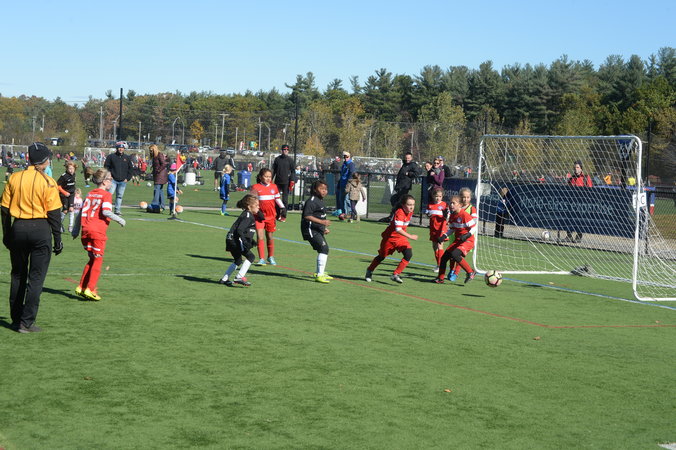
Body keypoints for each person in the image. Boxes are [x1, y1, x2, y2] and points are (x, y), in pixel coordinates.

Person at [1, 142, 63, 333]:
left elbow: (4, 209)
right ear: (44, 161)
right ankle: (26, 322)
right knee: (36, 278)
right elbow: (54, 214)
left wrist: (7, 234)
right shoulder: (48, 182)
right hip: (40, 230)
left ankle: (15, 319)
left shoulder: (14, 178)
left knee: (17, 275)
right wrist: (58, 239)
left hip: (18, 228)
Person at [71, 169, 126, 301]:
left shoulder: (89, 194)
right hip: (97, 231)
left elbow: (80, 213)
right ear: (104, 181)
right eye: (110, 179)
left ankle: (81, 287)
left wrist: (75, 230)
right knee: (98, 259)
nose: (111, 182)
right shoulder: (106, 195)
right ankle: (90, 289)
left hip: (85, 230)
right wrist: (120, 219)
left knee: (92, 259)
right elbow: (106, 211)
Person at [365, 194, 418, 284]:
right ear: (403, 205)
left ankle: (396, 274)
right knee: (382, 256)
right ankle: (370, 270)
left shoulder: (410, 212)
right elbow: (398, 229)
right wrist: (410, 236)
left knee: (408, 254)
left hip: (400, 238)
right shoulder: (399, 212)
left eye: (413, 204)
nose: (411, 207)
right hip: (389, 238)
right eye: (409, 205)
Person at [434, 194, 476, 284]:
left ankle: (470, 272)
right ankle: (440, 278)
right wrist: (444, 236)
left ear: (460, 205)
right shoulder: (453, 216)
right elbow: (452, 229)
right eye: (450, 203)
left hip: (468, 241)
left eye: (454, 203)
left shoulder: (464, 215)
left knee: (455, 254)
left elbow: (474, 227)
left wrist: (467, 235)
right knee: (444, 258)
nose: (451, 205)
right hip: (458, 240)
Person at [220, 194, 259, 287]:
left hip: (230, 238)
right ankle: (239, 277)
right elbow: (240, 230)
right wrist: (245, 241)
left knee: (238, 260)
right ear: (249, 206)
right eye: (257, 205)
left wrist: (251, 240)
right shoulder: (248, 215)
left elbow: (243, 230)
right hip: (235, 240)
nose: (258, 207)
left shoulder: (246, 214)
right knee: (251, 257)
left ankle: (224, 279)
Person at [250, 168, 285, 266]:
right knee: (260, 236)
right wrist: (257, 211)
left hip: (271, 217)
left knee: (269, 236)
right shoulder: (255, 187)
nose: (268, 178)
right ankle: (261, 258)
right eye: (266, 176)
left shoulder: (274, 187)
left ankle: (270, 256)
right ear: (261, 177)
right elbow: (251, 201)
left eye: (270, 176)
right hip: (259, 217)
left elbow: (277, 199)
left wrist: (283, 208)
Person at [301, 180, 333, 283]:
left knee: (323, 249)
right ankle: (319, 275)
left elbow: (319, 215)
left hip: (317, 229)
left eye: (326, 189)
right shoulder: (311, 201)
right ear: (315, 190)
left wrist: (323, 228)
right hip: (310, 229)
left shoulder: (320, 200)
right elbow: (307, 216)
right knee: (324, 248)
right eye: (321, 189)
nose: (324, 191)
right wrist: (322, 222)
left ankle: (319, 272)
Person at [449, 187, 478, 281]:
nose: (465, 199)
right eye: (463, 197)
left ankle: (456, 273)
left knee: (458, 255)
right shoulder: (455, 206)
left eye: (467, 197)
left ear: (470, 198)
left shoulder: (472, 209)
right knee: (451, 255)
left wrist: (467, 233)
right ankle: (451, 270)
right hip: (455, 235)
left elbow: (474, 223)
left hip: (467, 237)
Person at [103, 141, 133, 215]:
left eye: (122, 148)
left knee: (119, 196)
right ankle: (107, 209)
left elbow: (130, 169)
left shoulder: (127, 158)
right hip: (113, 180)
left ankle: (117, 210)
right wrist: (109, 175)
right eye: (119, 147)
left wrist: (128, 178)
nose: (121, 149)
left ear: (124, 149)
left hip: (123, 181)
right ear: (116, 148)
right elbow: (106, 167)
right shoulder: (111, 157)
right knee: (109, 195)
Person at [566, 160, 592, 243]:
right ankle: (569, 236)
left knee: (580, 220)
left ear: (581, 168)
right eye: (575, 167)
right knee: (569, 218)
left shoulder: (586, 177)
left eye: (577, 167)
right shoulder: (571, 178)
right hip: (572, 203)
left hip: (582, 203)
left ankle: (579, 236)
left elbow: (590, 190)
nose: (576, 169)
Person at [425, 187, 448, 272]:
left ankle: (441, 266)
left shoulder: (444, 205)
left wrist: (446, 216)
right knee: (434, 247)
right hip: (433, 228)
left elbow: (447, 217)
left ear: (442, 196)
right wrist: (428, 215)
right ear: (433, 196)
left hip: (441, 228)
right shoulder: (430, 205)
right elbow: (427, 214)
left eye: (440, 196)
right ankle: (438, 264)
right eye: (436, 196)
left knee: (439, 245)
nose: (438, 198)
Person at [272, 144, 296, 222]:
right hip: (277, 182)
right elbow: (274, 171)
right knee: (276, 199)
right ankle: (277, 214)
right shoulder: (277, 159)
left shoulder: (290, 160)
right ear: (281, 150)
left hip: (286, 182)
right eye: (284, 149)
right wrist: (270, 180)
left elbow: (293, 172)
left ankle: (283, 216)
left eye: (287, 150)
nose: (285, 151)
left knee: (285, 200)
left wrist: (292, 180)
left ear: (288, 151)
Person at [57, 160, 77, 232]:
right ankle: (58, 224)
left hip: (71, 194)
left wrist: (74, 191)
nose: (71, 170)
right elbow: (58, 186)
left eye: (72, 168)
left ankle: (70, 226)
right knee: (65, 211)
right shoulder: (63, 176)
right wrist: (64, 192)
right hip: (64, 195)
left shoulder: (74, 174)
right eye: (69, 169)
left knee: (71, 209)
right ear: (67, 168)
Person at [334, 151, 355, 216]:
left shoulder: (351, 164)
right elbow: (342, 175)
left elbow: (351, 173)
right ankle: (343, 213)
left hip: (347, 184)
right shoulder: (344, 164)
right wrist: (339, 183)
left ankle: (349, 214)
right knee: (341, 199)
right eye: (344, 157)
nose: (345, 158)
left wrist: (348, 183)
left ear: (349, 157)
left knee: (347, 199)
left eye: (347, 157)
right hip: (342, 184)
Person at [149, 144, 168, 211]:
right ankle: (162, 205)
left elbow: (164, 164)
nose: (151, 152)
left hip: (160, 175)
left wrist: (158, 170)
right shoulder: (154, 156)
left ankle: (155, 204)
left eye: (152, 150)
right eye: (150, 150)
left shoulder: (159, 154)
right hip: (157, 174)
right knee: (160, 190)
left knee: (156, 189)